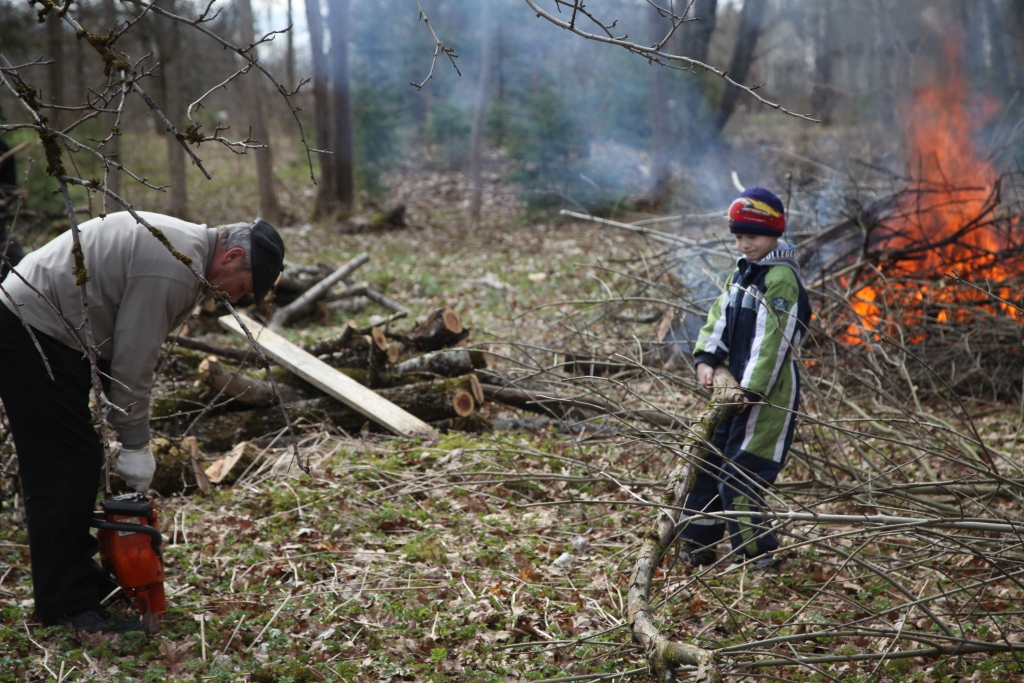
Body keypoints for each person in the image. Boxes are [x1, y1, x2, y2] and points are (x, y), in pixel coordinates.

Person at [0, 211, 285, 632]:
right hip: (32, 326)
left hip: (50, 330)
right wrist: (136, 445)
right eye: (241, 288)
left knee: (77, 457)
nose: (234, 300)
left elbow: (123, 350)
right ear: (233, 256)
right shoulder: (176, 266)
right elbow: (134, 364)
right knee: (62, 465)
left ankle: (76, 579)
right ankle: (65, 605)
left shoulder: (185, 250)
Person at [677, 187, 810, 572]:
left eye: (752, 235)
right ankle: (698, 545)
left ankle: (759, 557)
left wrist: (751, 390)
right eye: (738, 236)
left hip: (764, 399)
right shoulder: (741, 271)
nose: (744, 243)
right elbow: (719, 316)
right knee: (707, 466)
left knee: (740, 475)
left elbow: (773, 343)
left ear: (774, 234)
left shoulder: (781, 279)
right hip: (728, 391)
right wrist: (707, 358)